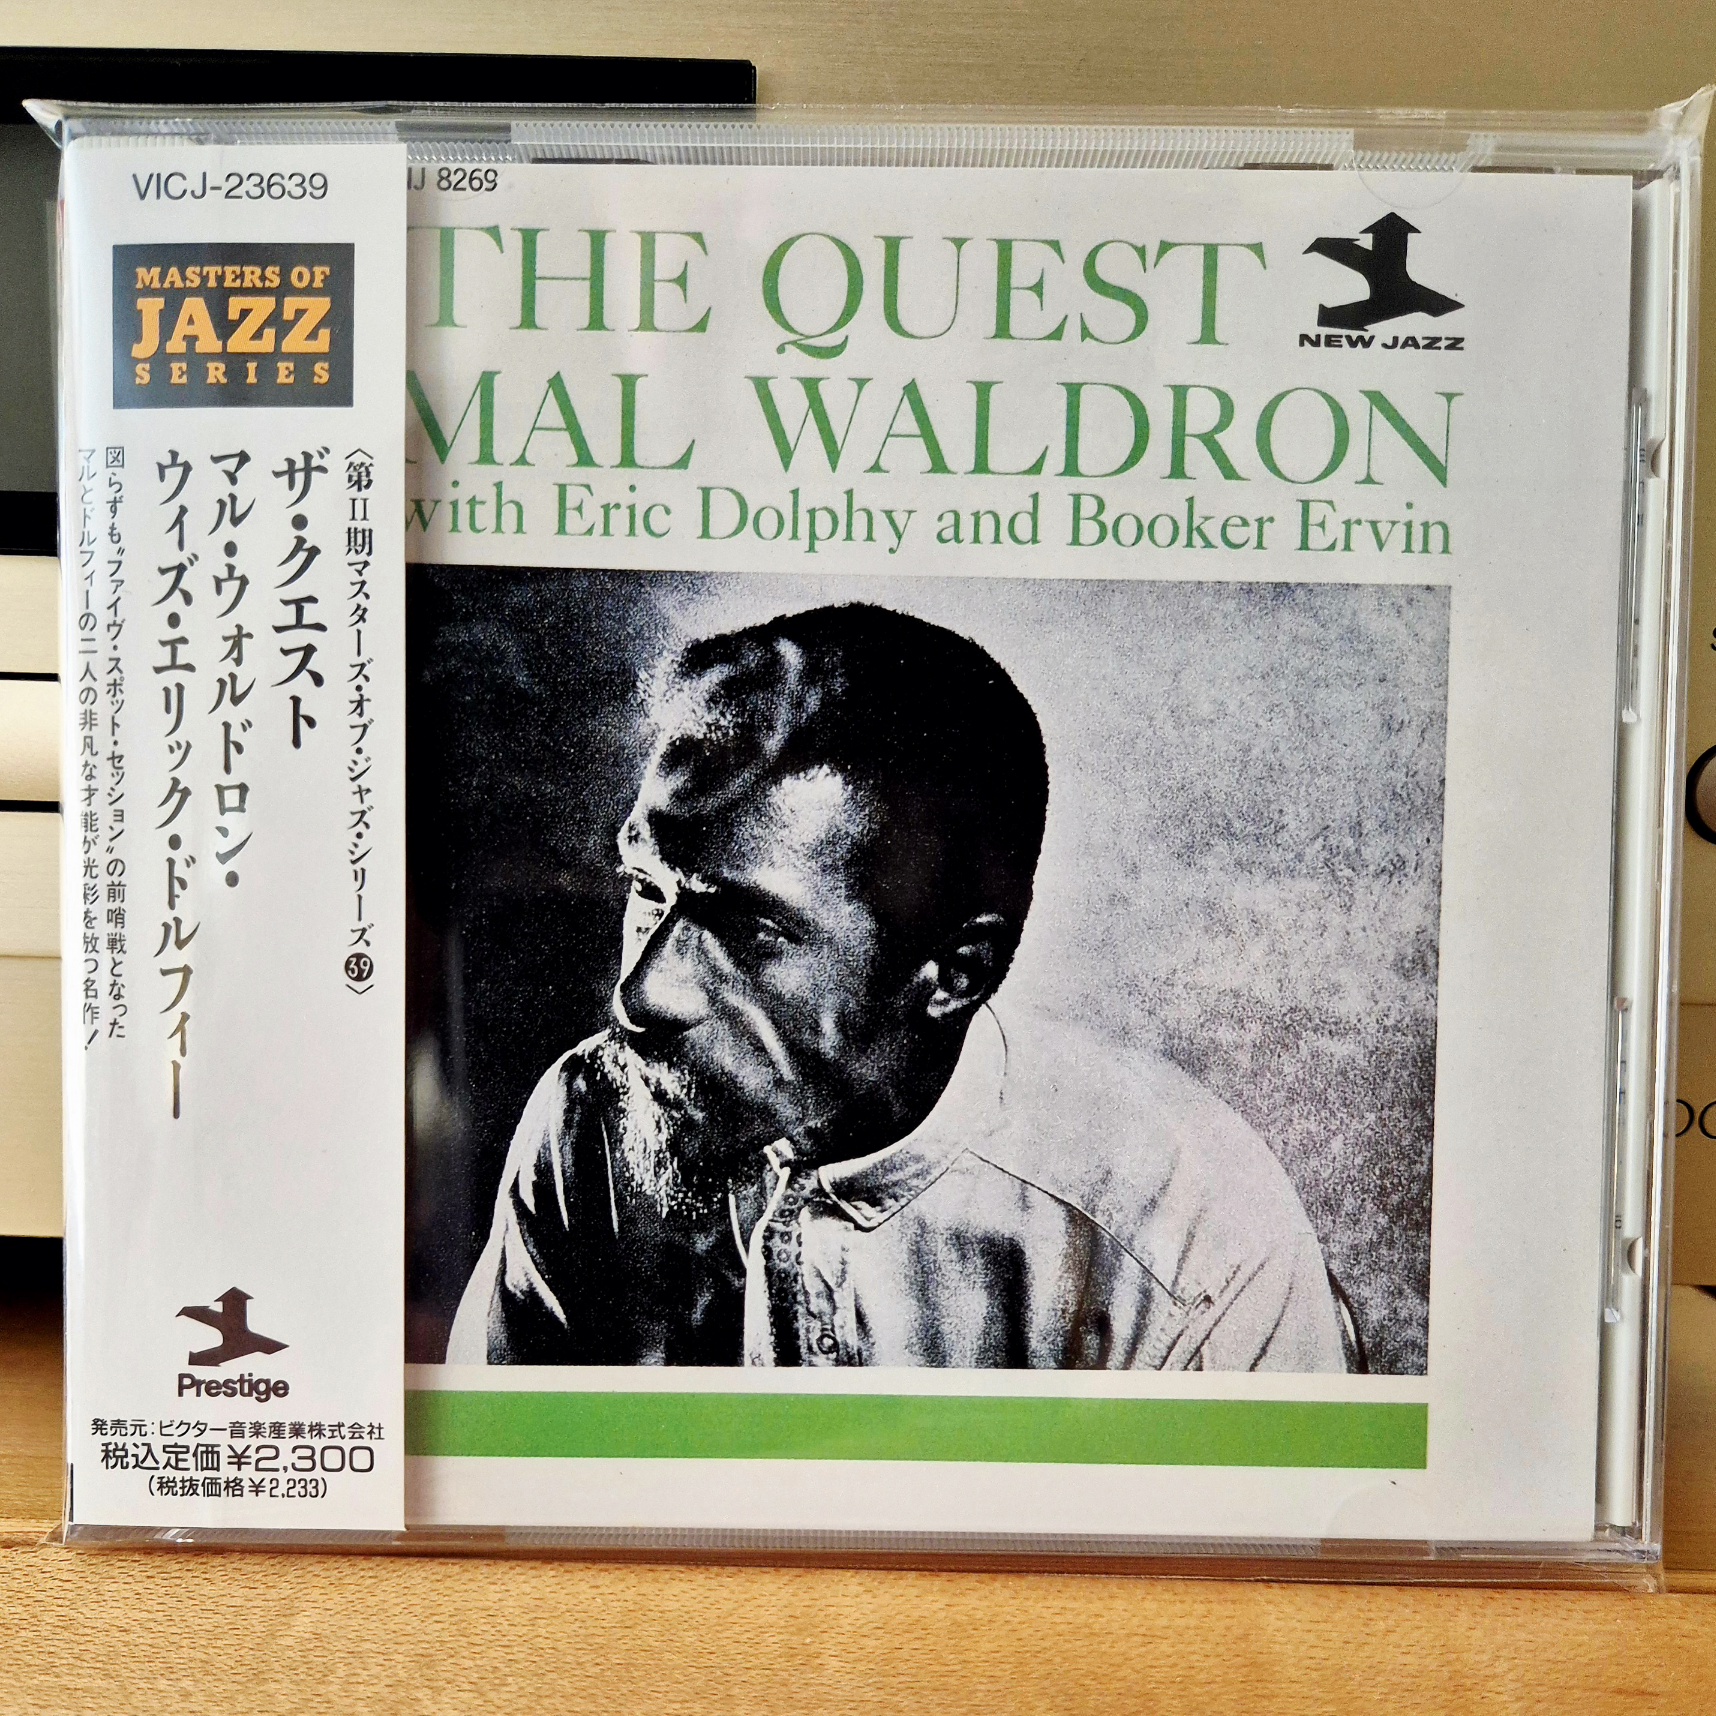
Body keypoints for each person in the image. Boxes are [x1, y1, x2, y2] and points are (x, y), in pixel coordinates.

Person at [447, 602, 1346, 1371]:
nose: (642, 997)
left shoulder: (1195, 1241)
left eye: (752, 931)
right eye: (649, 890)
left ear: (956, 974)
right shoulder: (594, 1114)